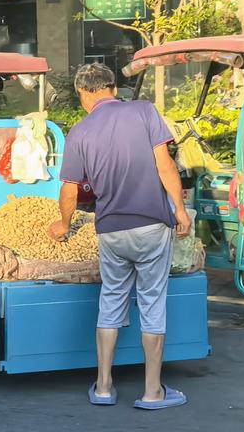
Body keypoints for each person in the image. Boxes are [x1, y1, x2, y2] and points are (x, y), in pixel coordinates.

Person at [49, 63, 193, 410]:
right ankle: (152, 391)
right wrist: (180, 209)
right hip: (151, 226)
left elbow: (69, 190)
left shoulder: (79, 132)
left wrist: (63, 225)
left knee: (111, 302)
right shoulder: (144, 112)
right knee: (152, 302)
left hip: (111, 230)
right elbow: (165, 166)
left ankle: (102, 387)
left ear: (85, 92)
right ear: (112, 87)